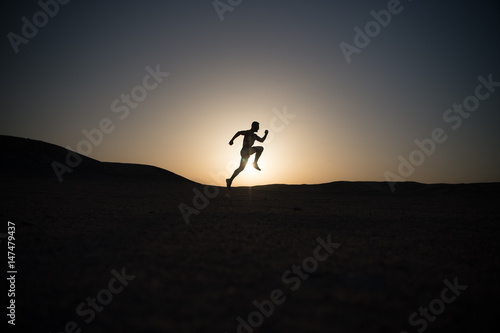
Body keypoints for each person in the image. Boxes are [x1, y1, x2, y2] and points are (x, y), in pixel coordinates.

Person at [226, 121, 268, 190]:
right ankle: (255, 163)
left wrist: (266, 134)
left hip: (246, 154)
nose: (258, 128)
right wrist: (232, 140)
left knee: (241, 168)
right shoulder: (248, 132)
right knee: (260, 148)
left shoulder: (255, 136)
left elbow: (262, 140)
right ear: (254, 126)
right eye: (257, 127)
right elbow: (239, 132)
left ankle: (230, 180)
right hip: (245, 151)